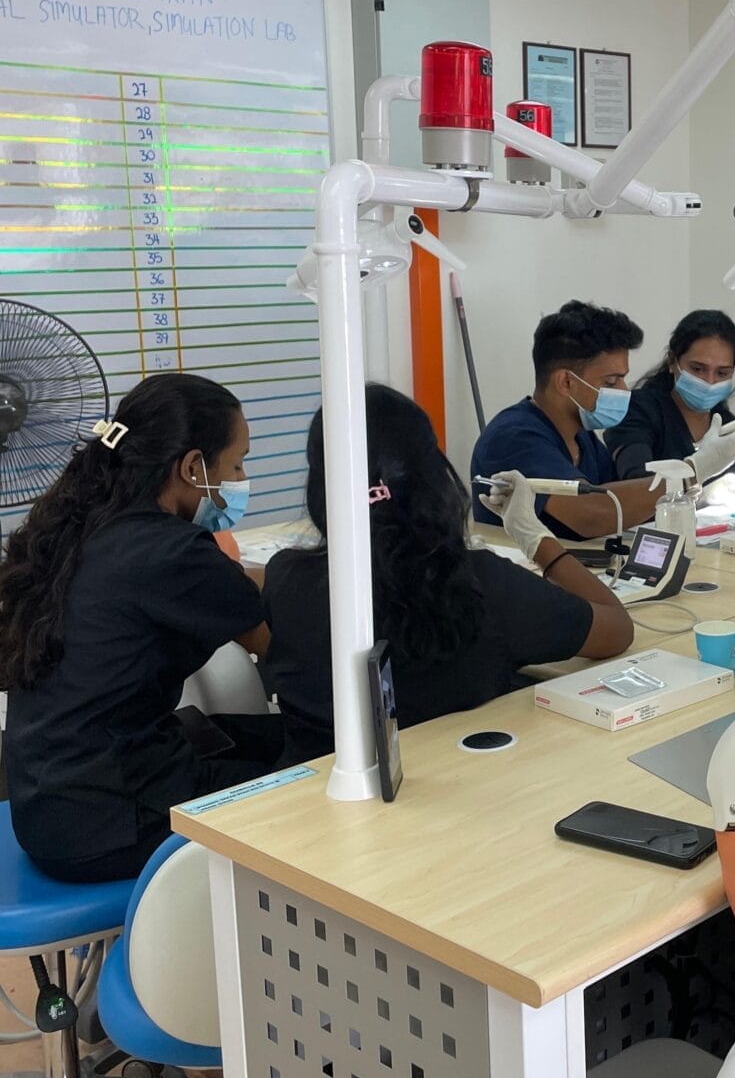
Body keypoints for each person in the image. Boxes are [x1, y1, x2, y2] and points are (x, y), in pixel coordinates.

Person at [0, 373, 282, 883]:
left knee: (262, 737)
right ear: (193, 467)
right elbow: (275, 644)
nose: (241, 478)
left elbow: (238, 585)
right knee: (308, 773)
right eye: (237, 463)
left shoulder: (88, 525)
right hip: (106, 824)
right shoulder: (172, 552)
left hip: (51, 800)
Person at [265, 384, 633, 762]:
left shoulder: (285, 579)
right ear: (433, 476)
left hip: (310, 791)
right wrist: (536, 538)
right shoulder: (483, 585)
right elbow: (617, 629)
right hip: (458, 787)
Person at [471, 300, 735, 541]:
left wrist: (700, 495)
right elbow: (591, 515)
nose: (624, 390)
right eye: (612, 381)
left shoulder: (583, 439)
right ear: (566, 382)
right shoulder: (514, 437)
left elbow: (626, 506)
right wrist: (692, 472)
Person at [607, 309, 735, 483]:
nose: (709, 381)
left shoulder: (732, 431)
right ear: (672, 361)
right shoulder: (637, 410)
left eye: (722, 373)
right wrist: (696, 471)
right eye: (698, 369)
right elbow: (636, 480)